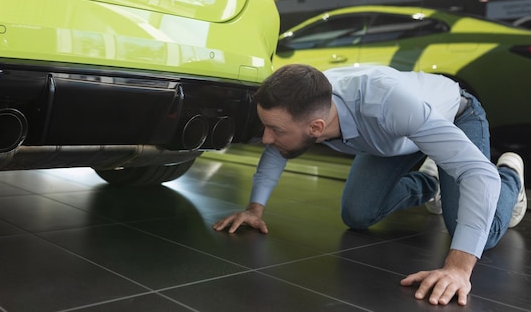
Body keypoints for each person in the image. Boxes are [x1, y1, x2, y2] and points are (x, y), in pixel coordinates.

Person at [213, 64, 527, 306]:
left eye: (273, 130)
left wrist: (458, 268)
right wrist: (255, 209)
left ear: (317, 127)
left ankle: (510, 176)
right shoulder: (307, 98)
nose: (266, 138)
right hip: (393, 137)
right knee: (358, 214)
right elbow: (277, 149)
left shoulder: (384, 104)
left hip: (454, 116)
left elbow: (476, 175)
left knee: (477, 236)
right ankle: (431, 179)